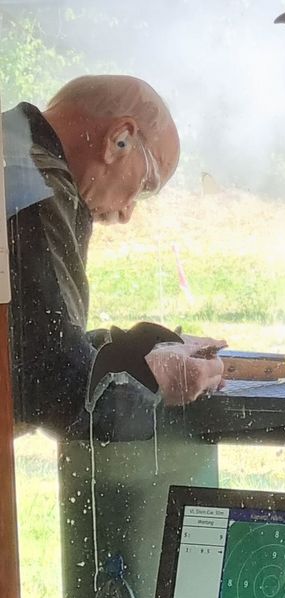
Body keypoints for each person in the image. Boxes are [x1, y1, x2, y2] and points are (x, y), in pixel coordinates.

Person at [3, 75, 225, 441]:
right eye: (145, 186)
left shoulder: (11, 152)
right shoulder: (32, 181)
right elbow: (54, 384)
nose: (126, 214)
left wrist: (134, 352)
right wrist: (159, 381)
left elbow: (23, 347)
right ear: (118, 140)